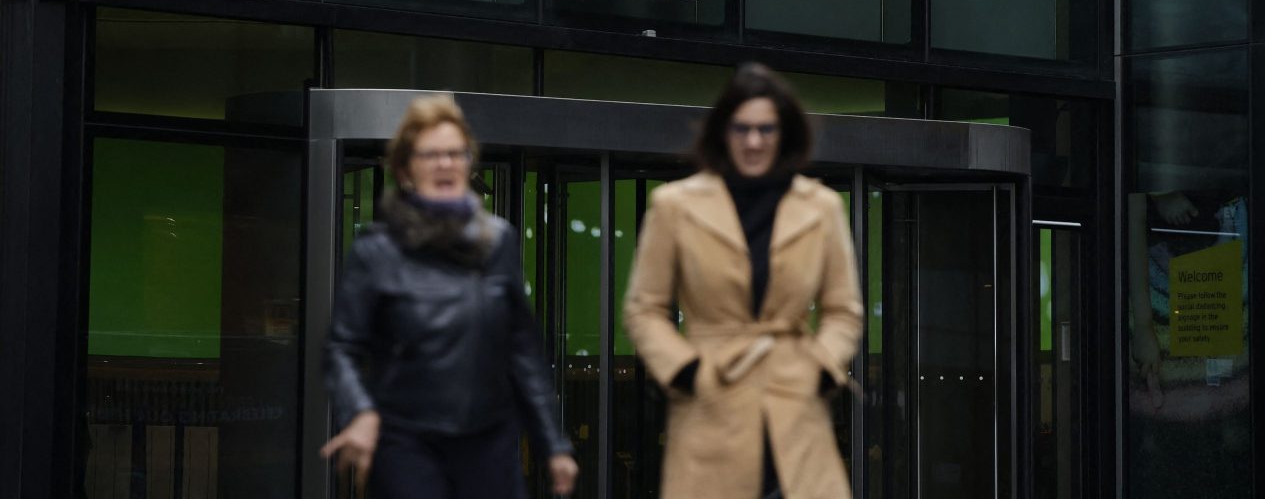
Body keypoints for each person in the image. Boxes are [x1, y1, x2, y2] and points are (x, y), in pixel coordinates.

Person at [623, 63, 864, 499]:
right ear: (723, 132)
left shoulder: (821, 208)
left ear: (784, 134)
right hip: (713, 400)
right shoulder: (674, 206)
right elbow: (644, 308)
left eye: (766, 129)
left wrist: (822, 368)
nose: (754, 141)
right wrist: (687, 372)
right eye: (742, 129)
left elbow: (843, 309)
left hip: (794, 402)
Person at [321, 94, 579, 498]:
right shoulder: (377, 250)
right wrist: (360, 413)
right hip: (406, 441)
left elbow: (523, 351)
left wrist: (554, 445)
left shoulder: (499, 242)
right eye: (431, 155)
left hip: (489, 441)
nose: (445, 163)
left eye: (456, 153)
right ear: (406, 169)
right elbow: (342, 347)